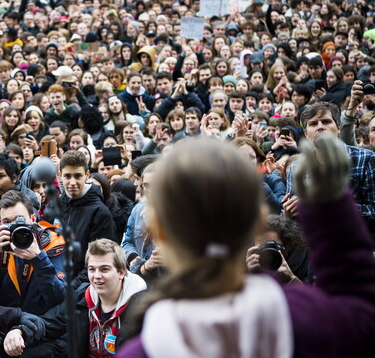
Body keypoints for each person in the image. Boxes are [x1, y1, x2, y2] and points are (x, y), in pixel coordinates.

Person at [118, 135, 375, 357]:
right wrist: (335, 213)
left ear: (159, 232)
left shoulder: (142, 349)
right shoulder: (302, 316)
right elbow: (361, 321)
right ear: (259, 222)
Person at [0, 190, 66, 357]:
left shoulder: (55, 244)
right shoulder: (0, 249)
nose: (15, 227)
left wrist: (38, 258)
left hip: (45, 327)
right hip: (9, 321)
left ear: (33, 219)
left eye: (20, 220)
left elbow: (57, 301)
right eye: (7, 222)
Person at [5, 239, 146, 358]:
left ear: (121, 272)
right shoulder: (83, 295)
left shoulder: (142, 308)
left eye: (104, 269)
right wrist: (20, 331)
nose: (96, 276)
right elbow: (50, 322)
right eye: (92, 269)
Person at [285, 100, 375, 236]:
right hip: (314, 245)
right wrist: (288, 214)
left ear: (338, 127)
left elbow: (373, 210)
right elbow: (293, 224)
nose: (320, 127)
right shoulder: (296, 168)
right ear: (306, 133)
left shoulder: (366, 158)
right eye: (313, 124)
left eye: (326, 121)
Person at [56, 151, 116, 274]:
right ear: (60, 175)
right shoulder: (54, 207)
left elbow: (100, 261)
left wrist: (74, 289)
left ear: (87, 175)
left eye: (78, 176)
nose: (72, 182)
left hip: (82, 287)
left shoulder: (100, 212)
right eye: (67, 176)